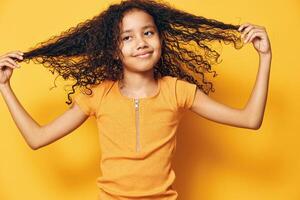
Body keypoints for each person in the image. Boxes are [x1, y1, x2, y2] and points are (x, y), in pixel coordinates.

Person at [0, 0, 272, 199]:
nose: (141, 42)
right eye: (127, 37)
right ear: (114, 51)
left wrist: (265, 58)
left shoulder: (178, 90)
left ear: (160, 39)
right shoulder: (98, 94)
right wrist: (5, 88)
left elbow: (249, 119)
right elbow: (37, 138)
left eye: (148, 32)